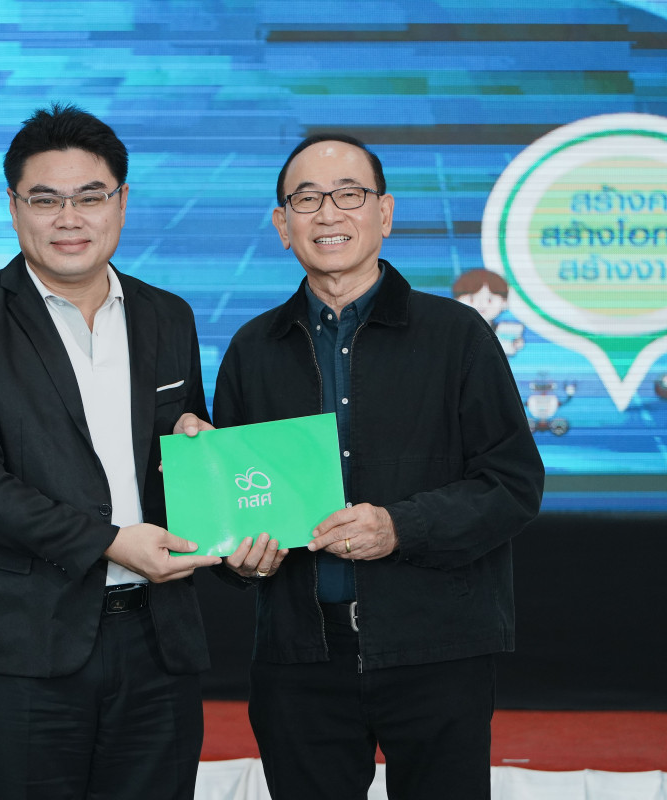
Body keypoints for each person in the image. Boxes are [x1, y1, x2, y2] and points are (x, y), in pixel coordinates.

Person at [204, 134, 545, 799]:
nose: (328, 213)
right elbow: (237, 504)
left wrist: (399, 527)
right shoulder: (252, 349)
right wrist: (239, 559)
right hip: (301, 660)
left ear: (384, 214)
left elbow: (512, 484)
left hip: (439, 651)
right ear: (282, 225)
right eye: (306, 199)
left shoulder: (458, 335)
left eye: (349, 195)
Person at [0, 103, 221, 800]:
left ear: (122, 202)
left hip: (158, 640)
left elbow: (180, 451)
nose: (69, 218)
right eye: (45, 200)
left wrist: (202, 458)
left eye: (90, 196)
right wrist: (110, 542)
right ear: (14, 207)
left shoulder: (168, 315)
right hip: (22, 641)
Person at [453, 267, 525, 356]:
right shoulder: (456, 331)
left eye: (489, 300)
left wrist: (514, 344)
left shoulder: (504, 330)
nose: (481, 304)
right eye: (472, 299)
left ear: (504, 302)